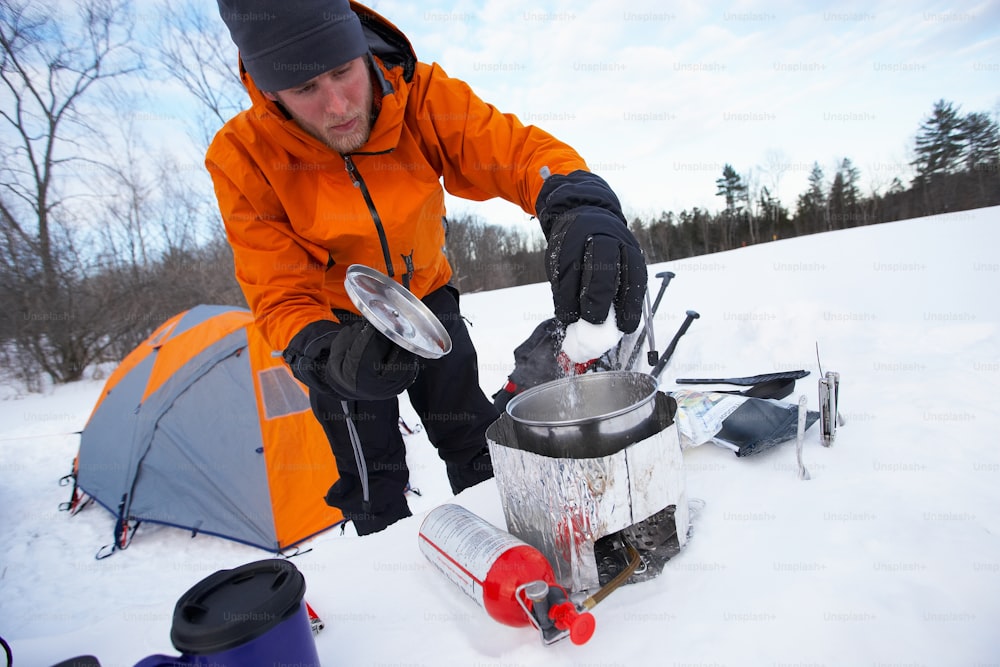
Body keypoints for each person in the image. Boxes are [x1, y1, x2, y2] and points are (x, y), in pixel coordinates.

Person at [207, 0, 647, 535]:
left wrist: (576, 200)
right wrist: (321, 354)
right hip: (340, 332)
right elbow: (277, 289)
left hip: (428, 301)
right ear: (269, 90)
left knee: (472, 436)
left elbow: (514, 151)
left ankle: (513, 541)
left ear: (359, 49)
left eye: (344, 71)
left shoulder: (416, 93)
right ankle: (395, 584)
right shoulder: (242, 155)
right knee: (372, 479)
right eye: (306, 90)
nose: (339, 104)